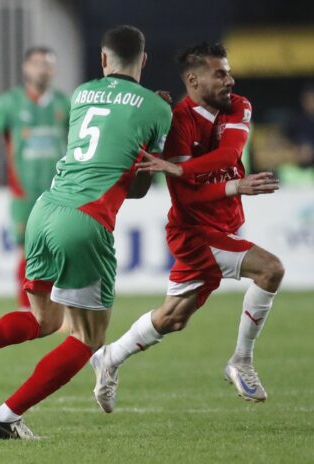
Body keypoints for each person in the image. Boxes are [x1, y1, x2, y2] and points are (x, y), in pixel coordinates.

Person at [0, 26, 172, 439]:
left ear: (103, 61)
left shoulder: (83, 93)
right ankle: (5, 418)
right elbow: (140, 187)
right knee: (89, 339)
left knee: (43, 318)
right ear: (144, 60)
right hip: (85, 220)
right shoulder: (157, 108)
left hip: (44, 209)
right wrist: (152, 133)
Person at [90, 43, 284, 413]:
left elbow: (229, 155)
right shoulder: (177, 122)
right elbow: (189, 200)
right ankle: (241, 360)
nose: (231, 79)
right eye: (220, 74)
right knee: (271, 270)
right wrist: (230, 185)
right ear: (194, 80)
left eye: (228, 72)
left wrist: (182, 170)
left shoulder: (238, 105)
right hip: (196, 234)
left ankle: (110, 357)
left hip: (225, 226)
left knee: (173, 318)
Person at [0, 46, 70, 309]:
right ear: (26, 68)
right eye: (37, 63)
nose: (42, 69)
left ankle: (57, 306)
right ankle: (26, 307)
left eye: (48, 64)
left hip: (59, 191)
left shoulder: (64, 103)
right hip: (23, 191)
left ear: (54, 69)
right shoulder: (10, 102)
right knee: (27, 250)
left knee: (60, 247)